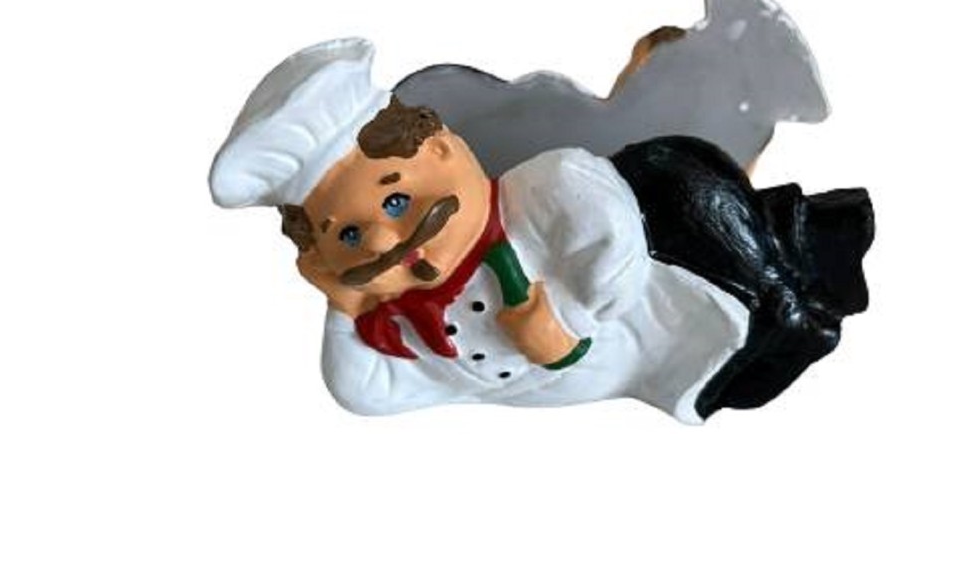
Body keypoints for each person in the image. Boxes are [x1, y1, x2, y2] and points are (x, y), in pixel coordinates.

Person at [210, 39, 871, 422]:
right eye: (350, 238)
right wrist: (346, 300)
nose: (385, 241)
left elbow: (617, 247)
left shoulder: (545, 193)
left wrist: (567, 324)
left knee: (687, 191)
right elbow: (361, 392)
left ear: (443, 150)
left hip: (662, 315)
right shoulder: (396, 326)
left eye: (396, 201)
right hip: (635, 375)